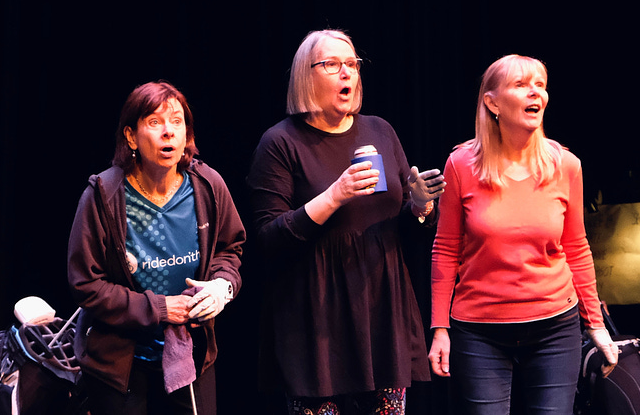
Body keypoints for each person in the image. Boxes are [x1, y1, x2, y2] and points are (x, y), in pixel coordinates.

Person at [246, 29, 443, 415]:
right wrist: (335, 195)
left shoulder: (380, 130)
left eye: (352, 64)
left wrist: (420, 208)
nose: (347, 73)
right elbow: (269, 238)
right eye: (332, 64)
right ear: (306, 75)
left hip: (382, 314)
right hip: (317, 322)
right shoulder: (281, 143)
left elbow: (404, 230)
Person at [427, 54, 618, 414]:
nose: (536, 93)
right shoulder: (461, 165)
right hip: (479, 330)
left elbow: (576, 247)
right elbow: (445, 248)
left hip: (554, 328)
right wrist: (440, 327)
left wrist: (596, 325)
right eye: (521, 85)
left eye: (541, 85)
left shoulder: (565, 165)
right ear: (492, 102)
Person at [67, 81, 246, 414]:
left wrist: (223, 287)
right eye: (155, 122)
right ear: (131, 136)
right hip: (119, 363)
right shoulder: (104, 196)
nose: (169, 132)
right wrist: (160, 309)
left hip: (190, 353)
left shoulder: (207, 187)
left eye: (177, 121)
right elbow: (86, 285)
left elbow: (229, 249)